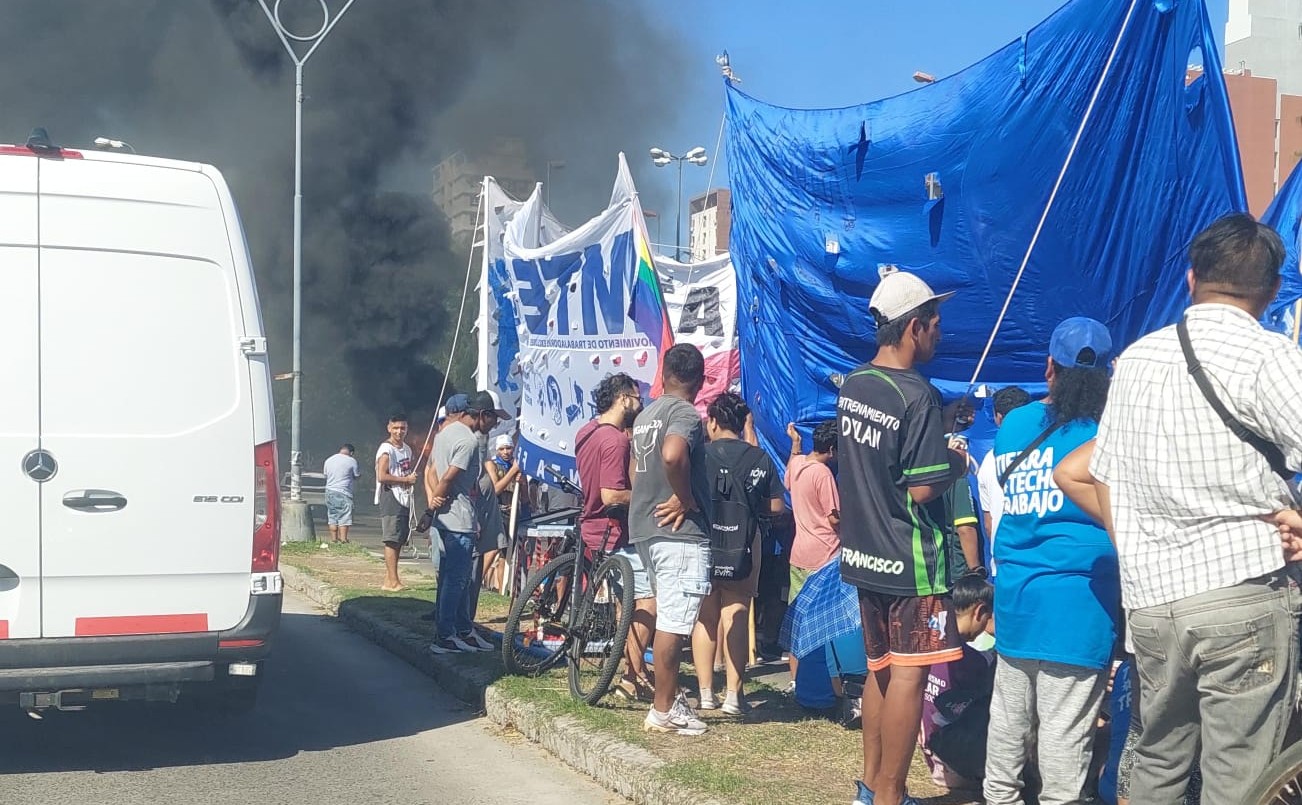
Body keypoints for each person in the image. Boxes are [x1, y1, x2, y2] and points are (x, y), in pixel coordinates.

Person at [1061, 213, 1302, 805]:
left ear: (1191, 279)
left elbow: (1102, 473)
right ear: (1272, 290)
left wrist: (1137, 552)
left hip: (1153, 603)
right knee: (1239, 774)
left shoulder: (1138, 359)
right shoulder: (1272, 356)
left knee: (1158, 761)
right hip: (1242, 588)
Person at [837, 268, 968, 805]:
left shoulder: (855, 384)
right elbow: (919, 489)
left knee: (880, 671)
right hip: (913, 559)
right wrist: (954, 463)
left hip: (866, 555)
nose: (940, 331)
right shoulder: (916, 394)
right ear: (914, 327)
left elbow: (880, 462)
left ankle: (872, 787)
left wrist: (936, 431)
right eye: (935, 322)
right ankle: (891, 793)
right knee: (910, 675)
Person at [982, 317, 1119, 805]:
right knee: (1065, 733)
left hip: (1017, 596)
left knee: (1008, 723)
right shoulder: (1111, 432)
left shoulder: (1016, 425)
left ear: (1049, 368)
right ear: (1109, 375)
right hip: (1082, 602)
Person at [630, 343, 713, 736]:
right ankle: (665, 708)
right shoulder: (684, 413)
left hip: (646, 526)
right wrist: (685, 496)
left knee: (668, 616)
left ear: (663, 374)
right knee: (675, 624)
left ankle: (666, 702)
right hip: (677, 533)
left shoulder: (646, 414)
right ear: (700, 380)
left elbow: (635, 470)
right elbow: (673, 454)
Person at [693, 392, 784, 716]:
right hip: (744, 544)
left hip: (704, 541)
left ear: (714, 421)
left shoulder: (700, 455)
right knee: (736, 612)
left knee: (705, 617)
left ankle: (705, 693)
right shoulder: (758, 458)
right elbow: (776, 506)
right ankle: (734, 695)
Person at [575, 372, 656, 703]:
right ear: (624, 399)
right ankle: (631, 677)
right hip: (615, 532)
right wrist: (645, 496)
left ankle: (635, 669)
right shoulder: (615, 441)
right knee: (648, 601)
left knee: (627, 602)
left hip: (590, 528)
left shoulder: (586, 432)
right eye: (637, 398)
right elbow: (611, 494)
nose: (640, 404)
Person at [428, 391, 501, 654]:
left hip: (451, 518)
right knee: (457, 581)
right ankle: (445, 636)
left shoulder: (443, 435)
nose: (495, 424)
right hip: (458, 519)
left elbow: (434, 472)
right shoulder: (468, 441)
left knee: (451, 578)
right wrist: (434, 501)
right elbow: (448, 476)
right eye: (493, 418)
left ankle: (462, 630)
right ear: (481, 415)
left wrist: (435, 504)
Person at [919, 572, 997, 791]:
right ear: (981, 612)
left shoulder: (928, 642)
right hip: (958, 760)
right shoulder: (974, 660)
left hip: (930, 748)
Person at [783, 419, 840, 686]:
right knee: (823, 621)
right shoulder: (823, 474)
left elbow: (788, 478)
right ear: (831, 449)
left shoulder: (798, 465)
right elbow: (834, 518)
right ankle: (824, 681)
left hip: (799, 553)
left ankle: (796, 679)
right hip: (825, 553)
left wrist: (795, 444)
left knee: (798, 617)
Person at [975, 386, 1032, 571]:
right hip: (1041, 560)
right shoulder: (1050, 453)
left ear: (998, 417)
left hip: (1004, 560)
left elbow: (989, 524)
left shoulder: (989, 461)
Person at [374, 414, 417, 592]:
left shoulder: (406, 449)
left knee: (399, 539)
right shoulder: (386, 449)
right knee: (391, 539)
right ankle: (393, 581)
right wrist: (405, 480)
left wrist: (410, 480)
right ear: (389, 428)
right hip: (391, 496)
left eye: (403, 428)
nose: (399, 431)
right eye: (396, 428)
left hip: (404, 498)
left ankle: (389, 579)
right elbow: (382, 476)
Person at [323, 443, 360, 543]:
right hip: (344, 492)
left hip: (329, 491)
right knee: (345, 515)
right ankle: (344, 539)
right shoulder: (352, 461)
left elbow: (325, 475)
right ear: (351, 453)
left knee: (332, 515)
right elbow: (356, 475)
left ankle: (334, 539)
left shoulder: (329, 460)